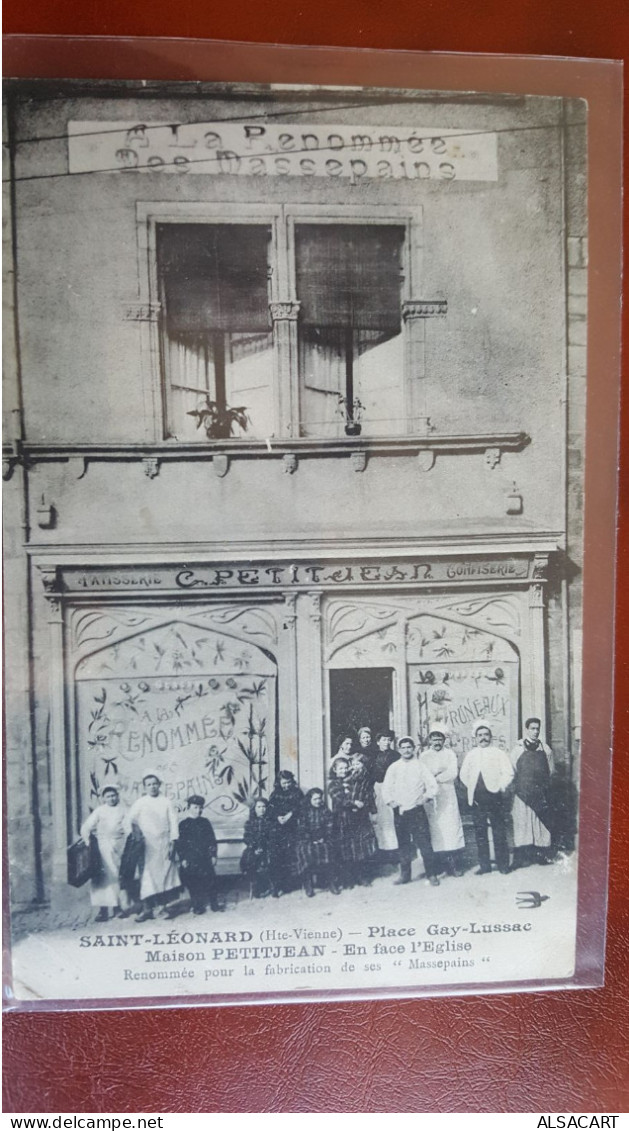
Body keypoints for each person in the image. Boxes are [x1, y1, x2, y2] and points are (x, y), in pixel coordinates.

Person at [381, 737, 440, 886]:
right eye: (403, 747)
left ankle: (431, 874)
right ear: (399, 749)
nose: (406, 750)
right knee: (403, 844)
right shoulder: (394, 767)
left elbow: (433, 786)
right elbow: (386, 788)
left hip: (416, 811)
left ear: (413, 748)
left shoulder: (420, 766)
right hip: (400, 811)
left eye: (409, 747)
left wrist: (425, 798)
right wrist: (391, 801)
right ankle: (405, 875)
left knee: (425, 843)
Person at [459, 722, 514, 875]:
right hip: (477, 799)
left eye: (486, 735)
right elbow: (464, 775)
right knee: (480, 832)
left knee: (499, 831)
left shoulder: (498, 753)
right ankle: (485, 866)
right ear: (476, 738)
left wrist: (500, 786)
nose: (483, 738)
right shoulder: (471, 755)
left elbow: (508, 773)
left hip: (494, 797)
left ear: (490, 736)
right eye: (480, 735)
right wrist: (472, 787)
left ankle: (503, 865)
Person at [128, 772, 181, 922]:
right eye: (149, 784)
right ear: (144, 787)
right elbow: (130, 820)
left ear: (159, 785)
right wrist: (137, 836)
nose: (152, 787)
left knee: (163, 876)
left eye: (154, 784)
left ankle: (162, 908)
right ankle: (147, 909)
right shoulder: (140, 802)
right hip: (146, 845)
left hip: (163, 843)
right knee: (147, 877)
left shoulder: (166, 801)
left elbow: (173, 822)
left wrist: (173, 841)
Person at [420, 726, 466, 876]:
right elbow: (422, 774)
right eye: (434, 738)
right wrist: (433, 778)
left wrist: (435, 777)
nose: (437, 741)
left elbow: (452, 773)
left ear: (444, 740)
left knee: (451, 829)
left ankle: (453, 865)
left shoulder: (450, 754)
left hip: (447, 794)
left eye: (440, 738)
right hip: (431, 796)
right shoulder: (424, 756)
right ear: (430, 740)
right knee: (435, 829)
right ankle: (438, 865)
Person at [79, 784, 129, 922]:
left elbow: (128, 827)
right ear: (104, 798)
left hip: (118, 846)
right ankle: (103, 910)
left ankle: (117, 907)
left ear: (117, 796)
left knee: (115, 876)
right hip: (101, 849)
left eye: (113, 795)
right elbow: (85, 828)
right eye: (108, 796)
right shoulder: (100, 811)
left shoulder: (123, 810)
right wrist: (89, 843)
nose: (111, 798)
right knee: (101, 879)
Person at [510, 718, 555, 867]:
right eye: (532, 728)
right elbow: (512, 769)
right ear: (527, 729)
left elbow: (551, 770)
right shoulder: (518, 748)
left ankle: (541, 855)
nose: (535, 731)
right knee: (522, 823)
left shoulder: (545, 749)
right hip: (523, 793)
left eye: (537, 729)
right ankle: (521, 857)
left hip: (539, 792)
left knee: (540, 823)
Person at [328, 755, 377, 887]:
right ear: (335, 769)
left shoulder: (353, 781)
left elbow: (364, 793)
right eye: (340, 768)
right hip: (342, 819)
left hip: (357, 818)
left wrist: (367, 806)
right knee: (345, 849)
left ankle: (361, 876)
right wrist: (354, 802)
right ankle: (347, 879)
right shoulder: (333, 784)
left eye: (345, 768)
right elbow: (340, 799)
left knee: (359, 848)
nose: (343, 771)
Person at [177, 795, 222, 914]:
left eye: (200, 808)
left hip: (205, 857)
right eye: (195, 807)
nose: (198, 810)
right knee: (193, 882)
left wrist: (213, 855)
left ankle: (214, 903)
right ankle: (197, 905)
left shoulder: (205, 823)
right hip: (191, 858)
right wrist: (183, 859)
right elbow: (180, 844)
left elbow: (212, 840)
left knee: (211, 880)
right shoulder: (183, 824)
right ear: (189, 807)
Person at [296, 788, 340, 897]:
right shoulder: (304, 812)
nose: (318, 801)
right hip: (307, 840)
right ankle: (308, 883)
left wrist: (323, 837)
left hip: (323, 838)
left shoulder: (325, 810)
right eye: (315, 799)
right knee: (306, 851)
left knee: (328, 849)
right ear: (309, 799)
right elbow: (302, 828)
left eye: (319, 798)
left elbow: (330, 826)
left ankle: (331, 882)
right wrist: (311, 839)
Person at [266, 770, 304, 897]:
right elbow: (270, 809)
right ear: (279, 783)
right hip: (278, 829)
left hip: (293, 828)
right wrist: (277, 817)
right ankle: (276, 886)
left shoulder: (297, 793)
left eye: (288, 782)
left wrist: (290, 815)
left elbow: (301, 807)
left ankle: (289, 884)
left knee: (290, 855)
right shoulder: (275, 794)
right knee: (277, 856)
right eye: (284, 783)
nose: (286, 785)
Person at [371, 731, 399, 856]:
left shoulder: (396, 755)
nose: (386, 742)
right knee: (379, 819)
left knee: (391, 818)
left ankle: (393, 849)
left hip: (392, 789)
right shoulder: (373, 755)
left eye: (388, 740)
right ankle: (381, 849)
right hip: (377, 787)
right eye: (383, 739)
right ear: (378, 742)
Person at [240, 798, 272, 898]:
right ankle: (255, 885)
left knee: (268, 859)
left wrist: (263, 847)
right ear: (255, 809)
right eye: (259, 807)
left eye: (264, 807)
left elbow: (273, 837)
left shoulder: (271, 822)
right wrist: (254, 848)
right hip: (254, 848)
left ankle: (267, 886)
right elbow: (247, 837)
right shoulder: (249, 823)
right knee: (250, 858)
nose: (262, 809)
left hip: (268, 848)